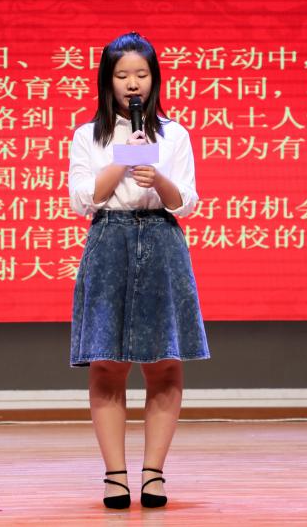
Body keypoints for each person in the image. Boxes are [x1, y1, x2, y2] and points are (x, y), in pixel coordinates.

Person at [68, 32, 210, 509]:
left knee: (164, 362)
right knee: (107, 362)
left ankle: (153, 474)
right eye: (123, 75)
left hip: (161, 240)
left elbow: (186, 202)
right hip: (110, 240)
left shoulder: (175, 134)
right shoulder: (88, 135)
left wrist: (159, 178)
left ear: (154, 79)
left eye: (142, 74)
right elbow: (83, 199)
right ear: (107, 81)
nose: (133, 84)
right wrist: (125, 157)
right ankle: (114, 475)